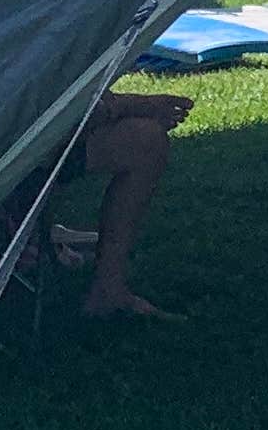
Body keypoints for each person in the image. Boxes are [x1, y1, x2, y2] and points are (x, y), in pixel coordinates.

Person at [58, 86, 189, 318]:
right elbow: (69, 116)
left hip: (1, 148)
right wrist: (136, 105)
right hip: (5, 160)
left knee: (143, 135)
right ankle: (108, 290)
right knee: (145, 143)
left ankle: (107, 288)